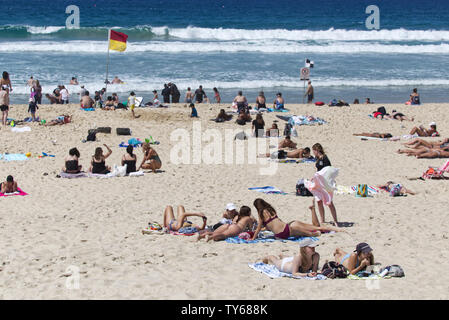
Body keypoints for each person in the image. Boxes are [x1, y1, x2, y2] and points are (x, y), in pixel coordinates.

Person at [251, 199, 342, 241]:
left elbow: (259, 227)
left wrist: (253, 238)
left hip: (280, 235)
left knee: (308, 233)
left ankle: (316, 233)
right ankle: (319, 230)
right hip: (287, 227)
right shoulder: (271, 210)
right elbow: (275, 223)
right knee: (311, 229)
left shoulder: (261, 213)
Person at [312, 143, 338, 225]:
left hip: (325, 182)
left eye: (314, 151)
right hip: (319, 182)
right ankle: (322, 220)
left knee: (329, 202)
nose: (313, 153)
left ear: (316, 150)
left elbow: (329, 171)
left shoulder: (325, 159)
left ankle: (335, 220)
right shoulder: (318, 159)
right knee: (319, 201)